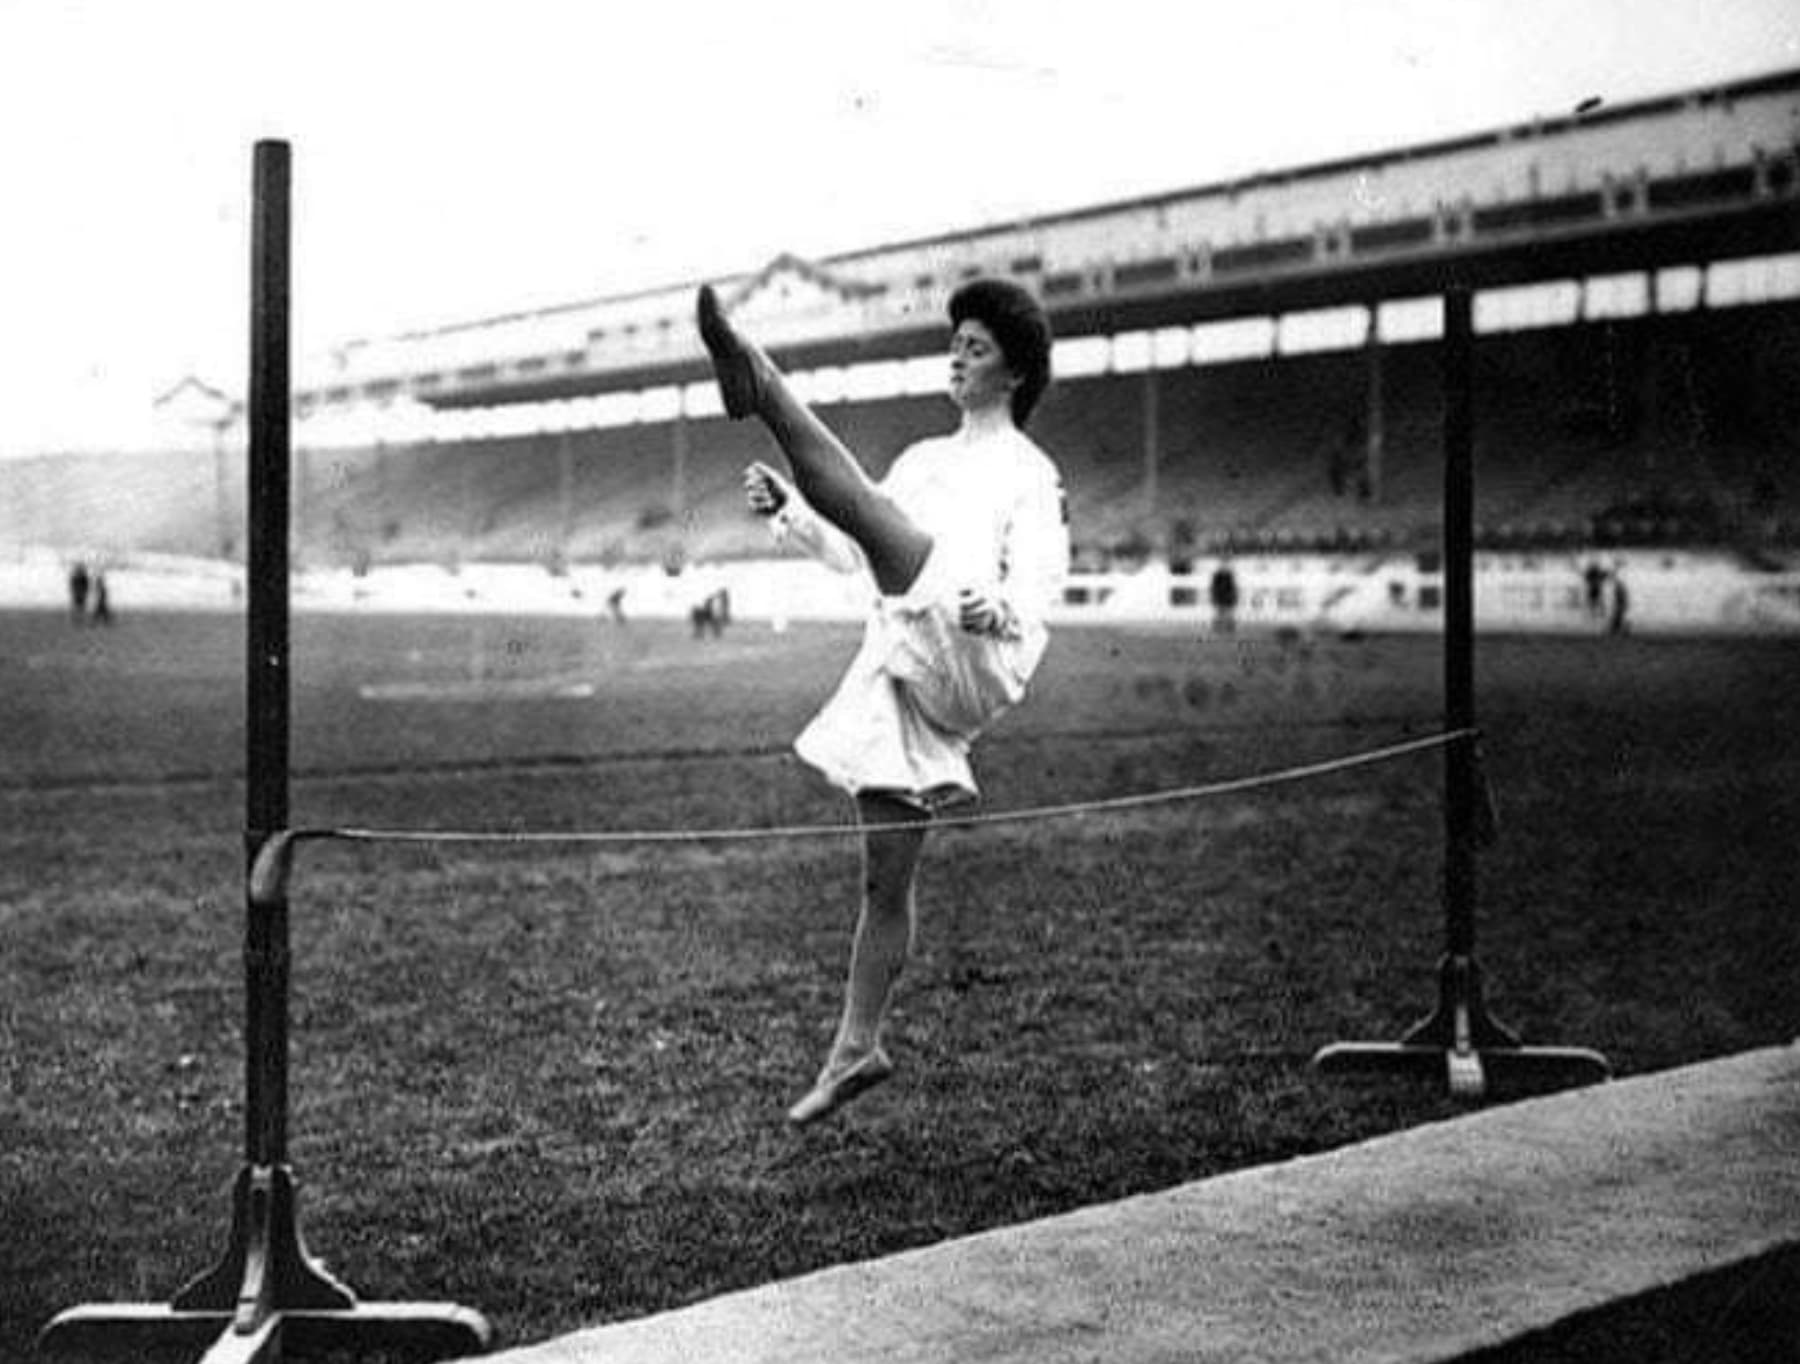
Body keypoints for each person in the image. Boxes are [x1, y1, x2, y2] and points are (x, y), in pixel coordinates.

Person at [698, 277, 1068, 1125]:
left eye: (975, 349)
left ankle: (760, 380)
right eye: (957, 345)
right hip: (906, 665)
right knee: (884, 884)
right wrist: (792, 513)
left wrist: (1000, 608)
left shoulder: (1031, 472)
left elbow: (1039, 582)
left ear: (1014, 373)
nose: (957, 358)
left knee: (874, 511)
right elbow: (861, 549)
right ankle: (857, 1046)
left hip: (976, 651)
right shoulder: (925, 461)